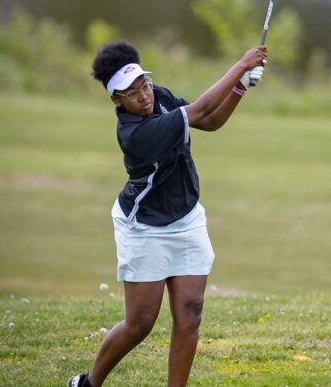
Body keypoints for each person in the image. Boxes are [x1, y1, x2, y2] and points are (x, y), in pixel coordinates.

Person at [67, 41, 267, 387]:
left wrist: (240, 87)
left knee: (190, 313)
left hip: (186, 216)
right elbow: (200, 108)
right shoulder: (135, 134)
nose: (143, 95)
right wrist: (240, 65)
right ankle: (89, 383)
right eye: (131, 92)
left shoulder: (158, 96)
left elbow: (209, 119)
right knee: (140, 323)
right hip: (145, 227)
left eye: (143, 83)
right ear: (117, 100)